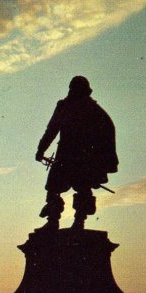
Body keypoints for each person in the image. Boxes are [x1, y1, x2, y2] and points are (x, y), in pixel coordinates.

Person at [35, 76, 118, 231]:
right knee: (55, 187)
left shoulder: (88, 109)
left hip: (81, 158)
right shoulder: (72, 107)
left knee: (78, 189)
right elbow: (52, 130)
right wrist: (41, 149)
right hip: (69, 157)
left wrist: (41, 150)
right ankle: (55, 221)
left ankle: (74, 221)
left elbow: (106, 132)